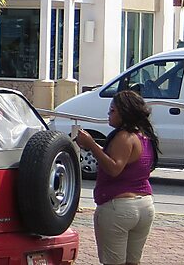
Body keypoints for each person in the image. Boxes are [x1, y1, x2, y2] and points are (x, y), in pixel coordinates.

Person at [75, 90, 159, 265]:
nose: (108, 114)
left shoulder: (124, 137)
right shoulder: (144, 136)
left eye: (112, 110)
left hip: (118, 207)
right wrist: (95, 147)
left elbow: (114, 168)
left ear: (125, 113)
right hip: (144, 205)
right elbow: (124, 160)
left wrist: (91, 144)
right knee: (132, 261)